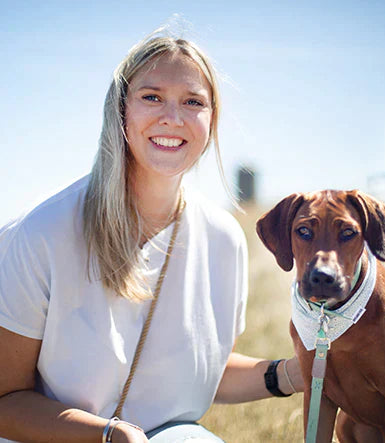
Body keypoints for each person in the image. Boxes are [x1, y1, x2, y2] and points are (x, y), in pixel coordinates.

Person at [0, 29, 303, 443]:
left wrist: (289, 374)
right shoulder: (40, 233)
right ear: (120, 109)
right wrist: (107, 436)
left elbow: (200, 373)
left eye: (193, 102)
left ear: (211, 121)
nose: (173, 118)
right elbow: (6, 400)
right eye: (152, 97)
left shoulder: (225, 240)